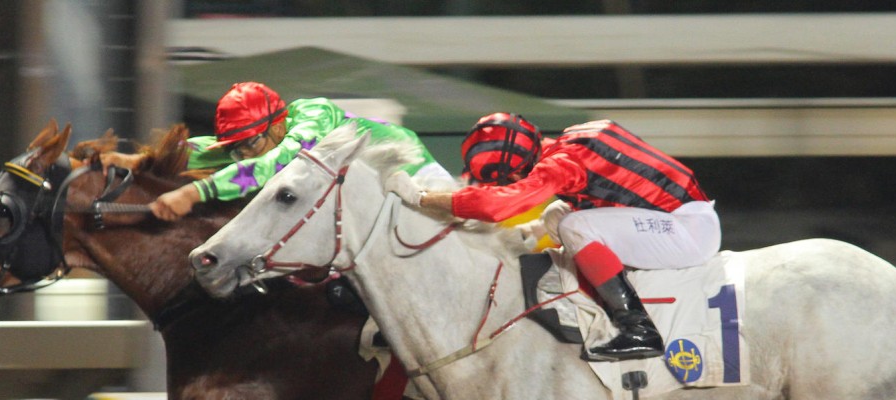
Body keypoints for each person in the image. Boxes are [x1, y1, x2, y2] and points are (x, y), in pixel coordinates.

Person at [386, 113, 721, 361]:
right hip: (680, 218)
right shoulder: (571, 140)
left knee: (575, 226)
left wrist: (422, 198)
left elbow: (494, 207)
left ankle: (638, 328)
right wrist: (532, 231)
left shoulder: (561, 163)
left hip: (687, 232)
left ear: (515, 172)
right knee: (556, 215)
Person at [113, 81, 450, 221]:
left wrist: (194, 192)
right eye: (237, 148)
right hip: (365, 203)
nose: (244, 156)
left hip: (417, 178)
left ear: (278, 126)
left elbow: (275, 163)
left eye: (249, 144)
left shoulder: (313, 115)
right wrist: (141, 161)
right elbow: (210, 150)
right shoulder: (260, 141)